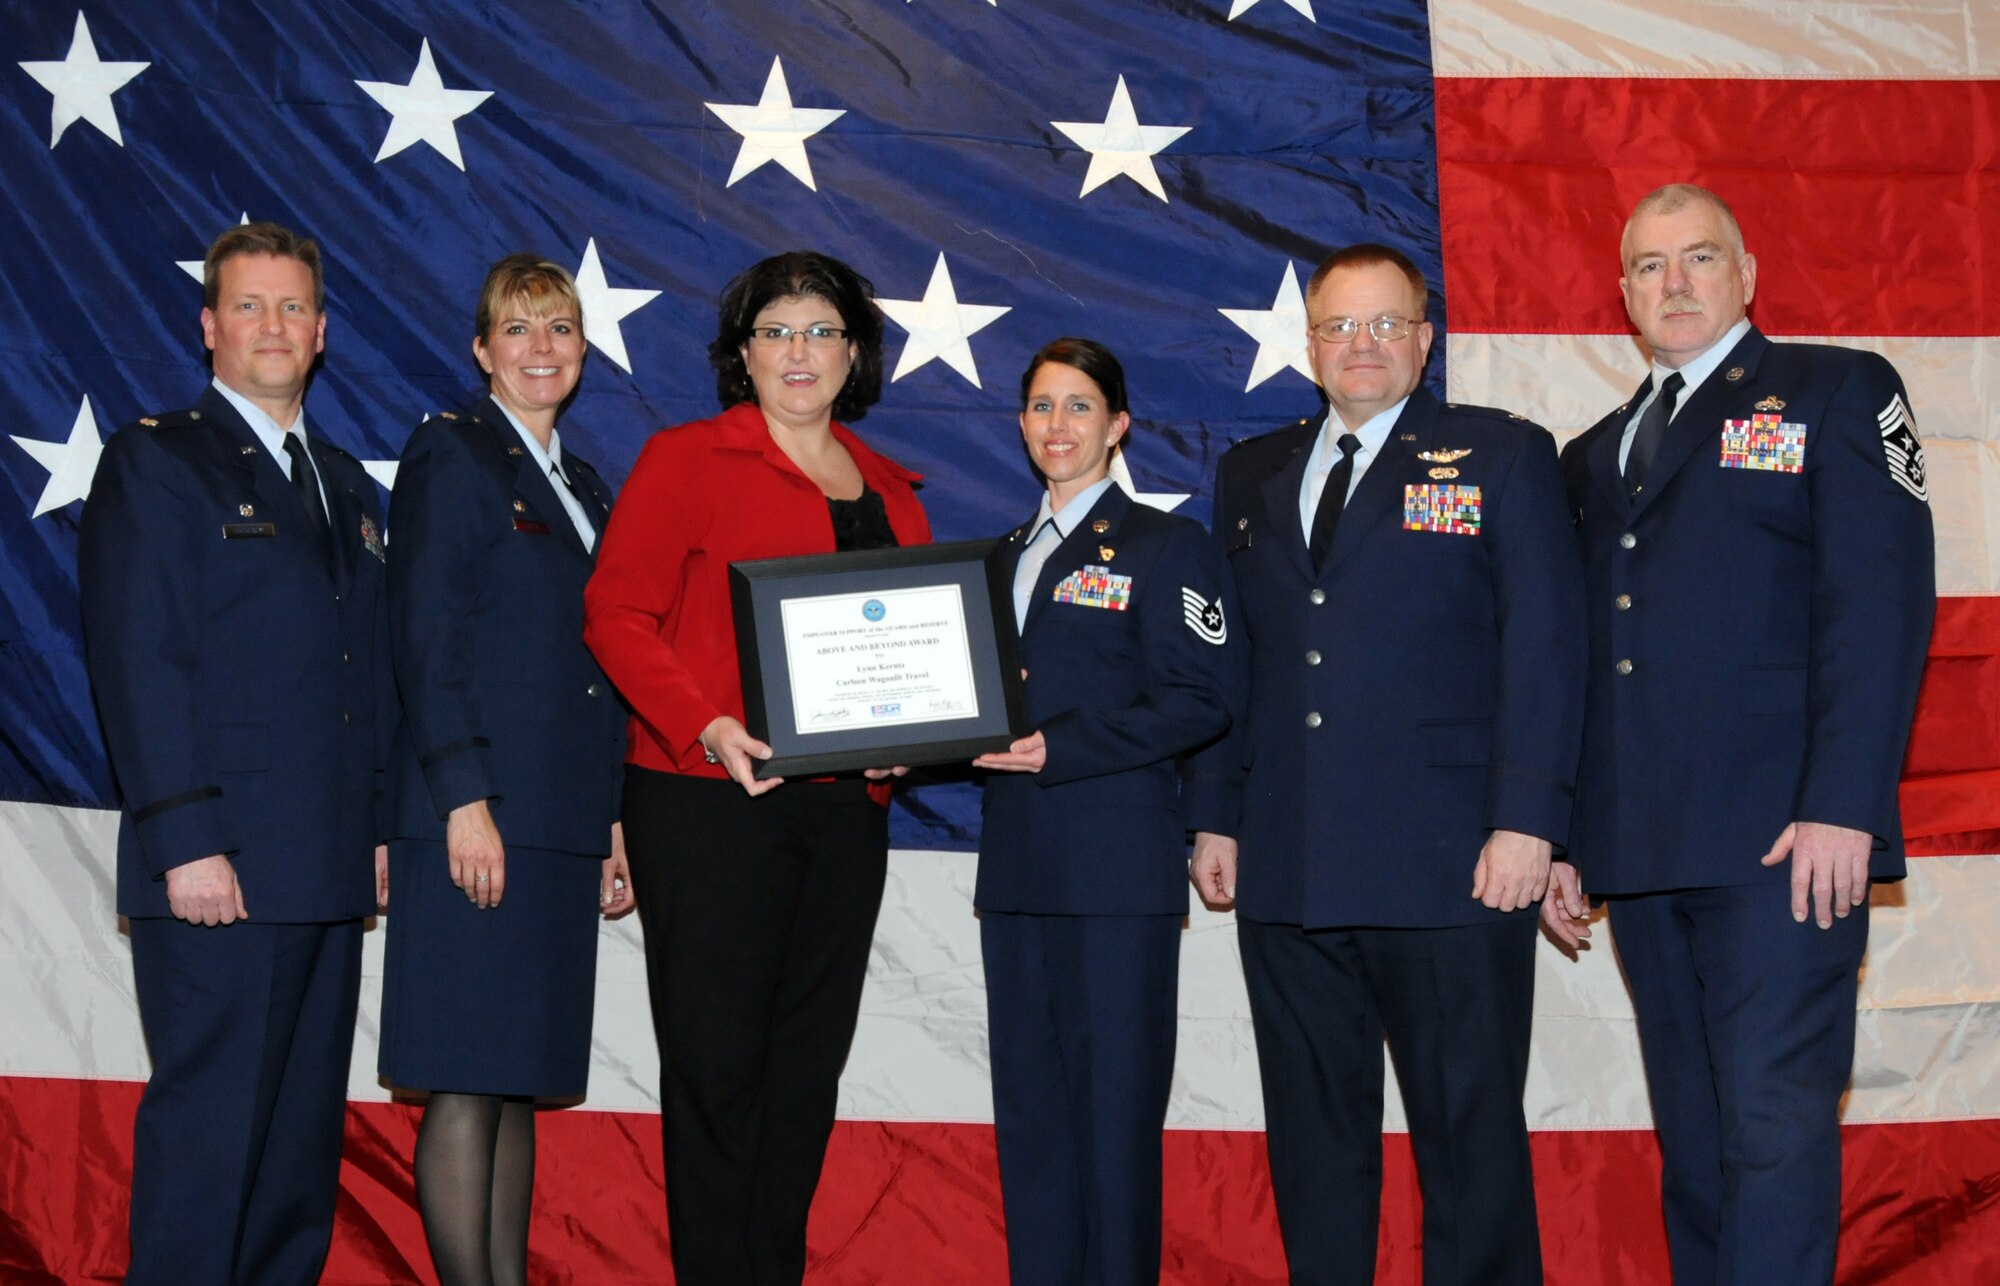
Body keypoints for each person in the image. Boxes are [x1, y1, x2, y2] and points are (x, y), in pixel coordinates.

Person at [1543, 183, 1935, 1284]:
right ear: (1620, 291)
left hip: (1784, 843)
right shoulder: (1591, 453)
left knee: (1771, 1132)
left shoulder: (1835, 389)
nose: (1672, 282)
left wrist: (1843, 802)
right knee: (1701, 1147)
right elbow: (1584, 658)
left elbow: (1878, 605)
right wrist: (1567, 830)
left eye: (1696, 257)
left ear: (1746, 273)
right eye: (1647, 265)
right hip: (1645, 850)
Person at [1186, 243, 1586, 1285]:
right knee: (1313, 1150)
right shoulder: (1251, 471)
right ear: (1308, 342)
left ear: (1423, 338)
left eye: (1383, 323)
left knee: (1470, 1150)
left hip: (1452, 866)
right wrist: (1216, 812)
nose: (1359, 345)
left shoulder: (1500, 455)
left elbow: (1546, 647)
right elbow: (1235, 662)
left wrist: (1528, 820)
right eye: (1337, 326)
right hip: (1289, 861)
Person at [582, 250, 931, 1285]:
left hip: (843, 816)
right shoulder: (685, 459)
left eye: (819, 330)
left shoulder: (893, 490)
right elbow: (613, 612)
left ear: (854, 352)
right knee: (716, 1071)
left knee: (802, 1070)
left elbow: (912, 653)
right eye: (774, 331)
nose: (797, 351)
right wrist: (706, 723)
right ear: (742, 353)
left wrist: (913, 728)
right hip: (705, 805)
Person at [78, 221, 393, 1284]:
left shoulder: (347, 485)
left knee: (296, 1151)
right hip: (219, 864)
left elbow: (365, 679)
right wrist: (187, 839)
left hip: (323, 864)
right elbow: (140, 661)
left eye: (292, 306)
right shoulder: (159, 460)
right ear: (210, 326)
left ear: (321, 331)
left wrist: (378, 832)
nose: (273, 325)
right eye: (249, 306)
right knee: (210, 1143)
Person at [377, 253, 633, 1286]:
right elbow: (426, 642)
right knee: (462, 1080)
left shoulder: (582, 483)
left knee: (513, 1076)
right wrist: (462, 799)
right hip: (477, 813)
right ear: (482, 349)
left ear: (581, 348)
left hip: (560, 820)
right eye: (518, 329)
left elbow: (596, 668)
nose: (541, 348)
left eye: (559, 328)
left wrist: (611, 819)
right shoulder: (453, 454)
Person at [973, 339, 1234, 1285]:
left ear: (1117, 426)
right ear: (1021, 423)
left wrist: (1066, 745)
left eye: (1079, 407)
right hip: (1015, 876)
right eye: (1041, 407)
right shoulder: (996, 559)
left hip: (1118, 876)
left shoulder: (1169, 547)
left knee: (1116, 1125)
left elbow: (1202, 698)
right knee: (1033, 1125)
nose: (1058, 426)